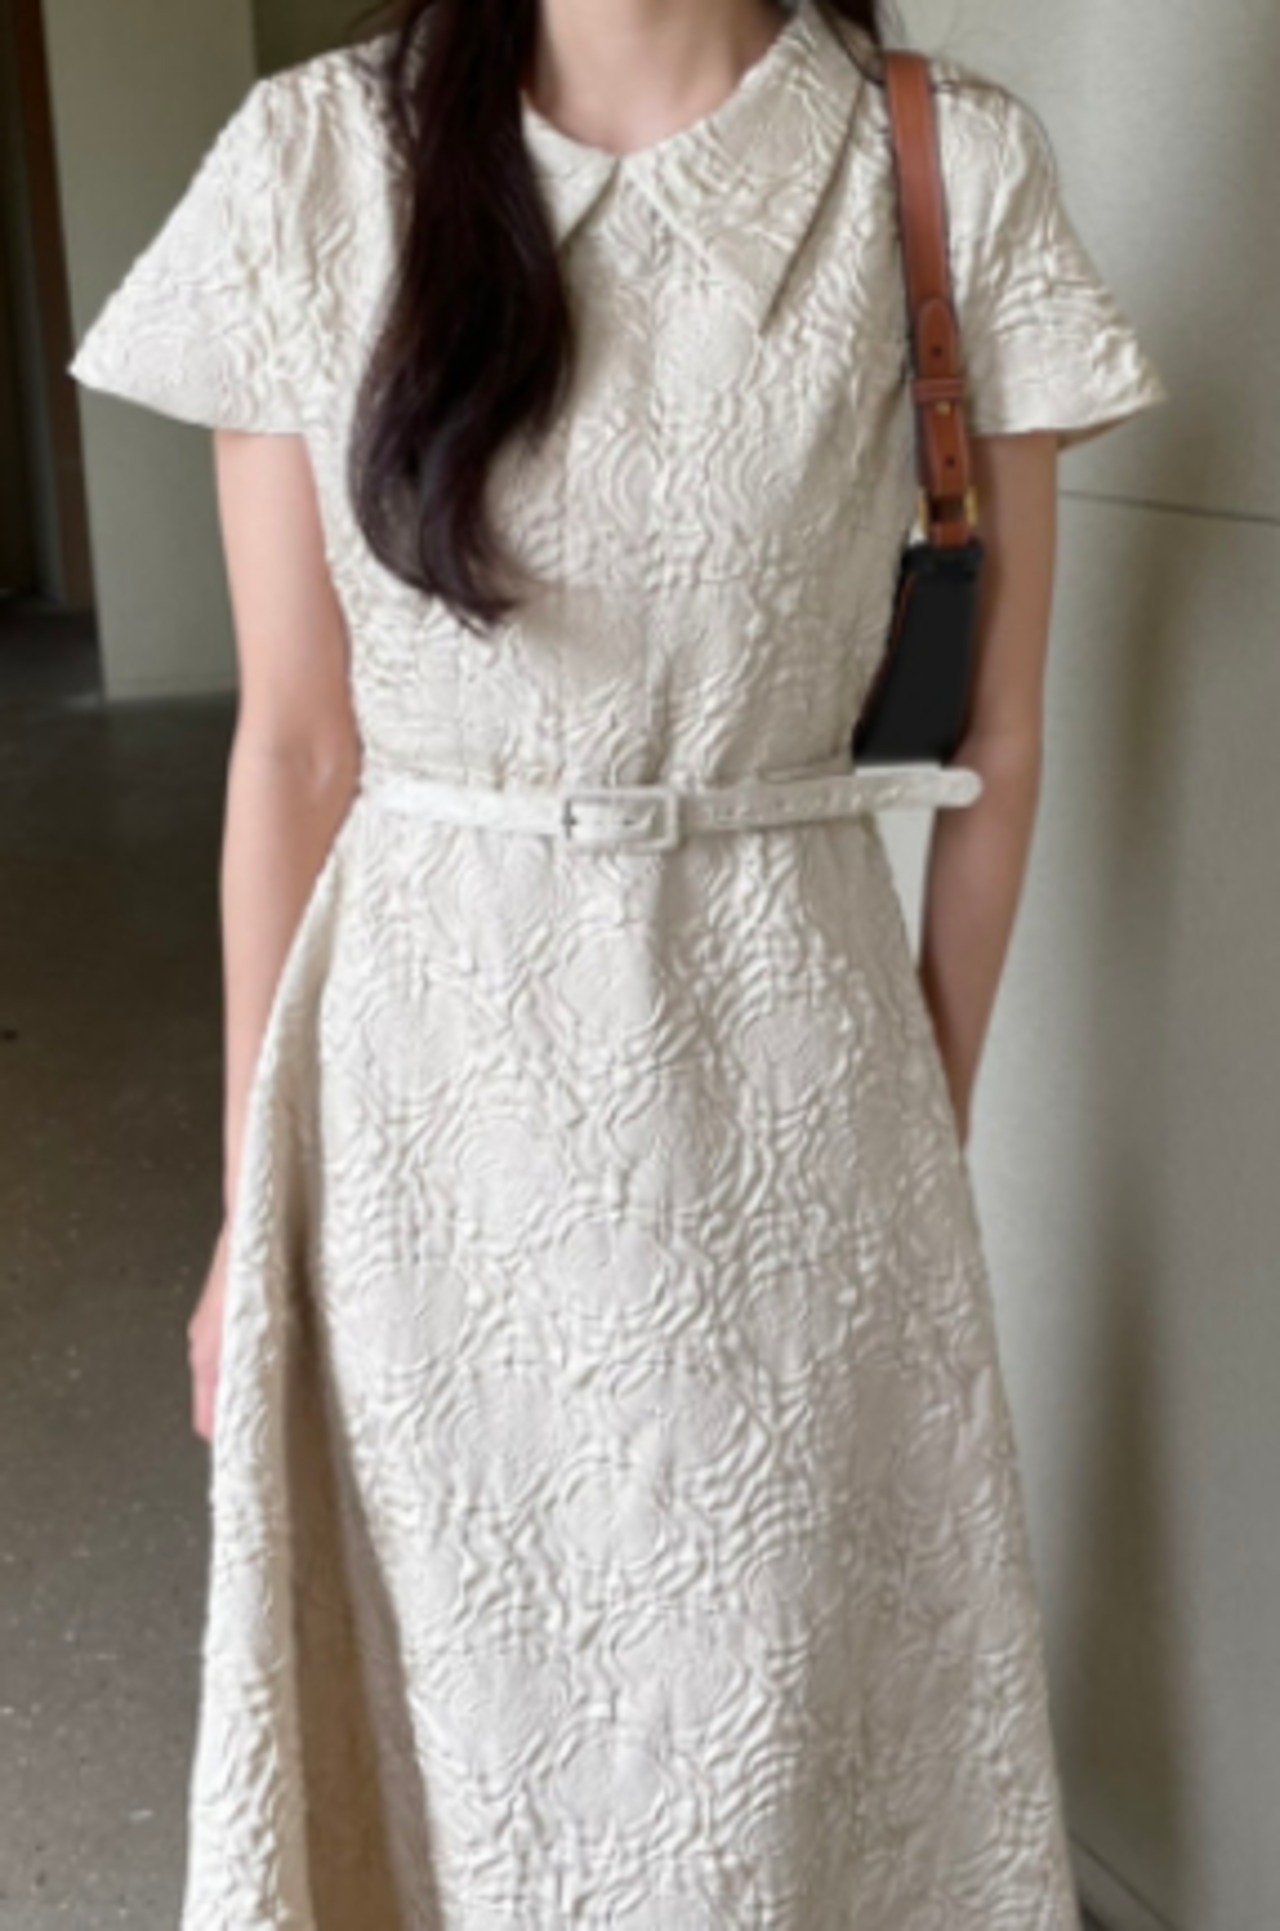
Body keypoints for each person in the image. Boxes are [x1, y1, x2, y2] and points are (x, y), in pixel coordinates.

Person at [68, 0, 1167, 1921]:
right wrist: (254, 1215)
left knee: (759, 1721)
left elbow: (998, 742)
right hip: (428, 1102)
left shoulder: (941, 168)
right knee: (463, 1717)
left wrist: (914, 1132)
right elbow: (298, 748)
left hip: (787, 1083)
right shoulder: (316, 160)